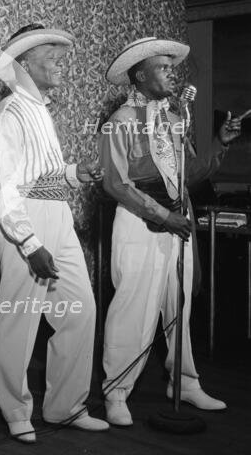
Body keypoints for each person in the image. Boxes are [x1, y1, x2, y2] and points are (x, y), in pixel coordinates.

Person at [100, 36, 241, 426]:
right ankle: (117, 390)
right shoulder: (120, 123)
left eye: (172, 68)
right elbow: (115, 183)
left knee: (180, 304)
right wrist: (162, 215)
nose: (171, 75)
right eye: (163, 68)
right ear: (141, 73)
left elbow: (189, 175)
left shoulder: (176, 121)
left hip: (177, 225)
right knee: (135, 307)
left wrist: (218, 144)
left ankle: (185, 381)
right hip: (140, 223)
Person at [0, 23, 109, 444]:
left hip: (56, 217)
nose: (61, 62)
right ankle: (16, 411)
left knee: (79, 310)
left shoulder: (40, 109)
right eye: (51, 55)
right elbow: (4, 189)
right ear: (23, 63)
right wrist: (29, 243)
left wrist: (74, 175)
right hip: (23, 225)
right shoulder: (8, 114)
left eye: (60, 55)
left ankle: (66, 407)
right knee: (19, 321)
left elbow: (38, 178)